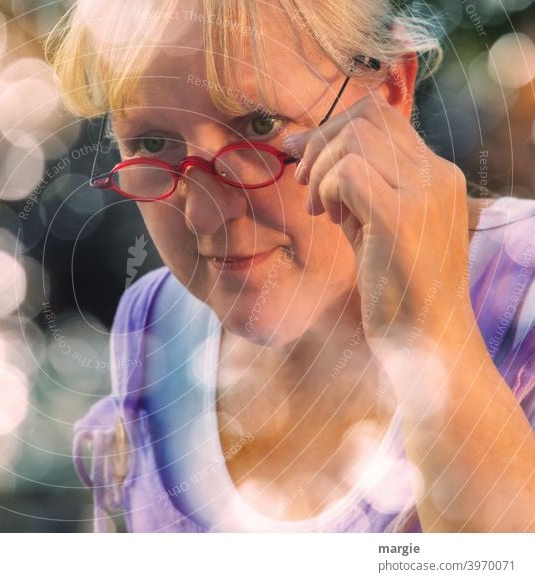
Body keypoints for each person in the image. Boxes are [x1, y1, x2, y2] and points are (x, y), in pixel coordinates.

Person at [46, 0, 535, 532]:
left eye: (260, 124)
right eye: (152, 142)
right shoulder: (153, 325)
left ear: (390, 92)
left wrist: (434, 338)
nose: (204, 214)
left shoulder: (522, 289)